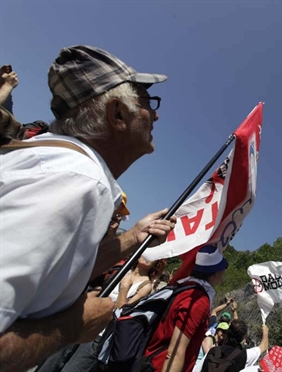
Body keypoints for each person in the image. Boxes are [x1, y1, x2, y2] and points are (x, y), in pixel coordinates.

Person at [0, 45, 176, 371]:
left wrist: (134, 237)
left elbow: (61, 267)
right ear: (118, 115)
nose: (155, 115)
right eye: (146, 103)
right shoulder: (76, 181)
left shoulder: (52, 159)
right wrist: (71, 328)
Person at [142, 246, 228, 372]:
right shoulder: (197, 300)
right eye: (222, 269)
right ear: (214, 273)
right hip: (160, 366)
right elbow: (175, 351)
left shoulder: (185, 287)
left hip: (153, 362)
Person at [198, 320, 269, 372]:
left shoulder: (214, 350)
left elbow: (197, 369)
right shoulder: (245, 355)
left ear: (228, 333)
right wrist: (265, 333)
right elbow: (264, 346)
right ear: (242, 337)